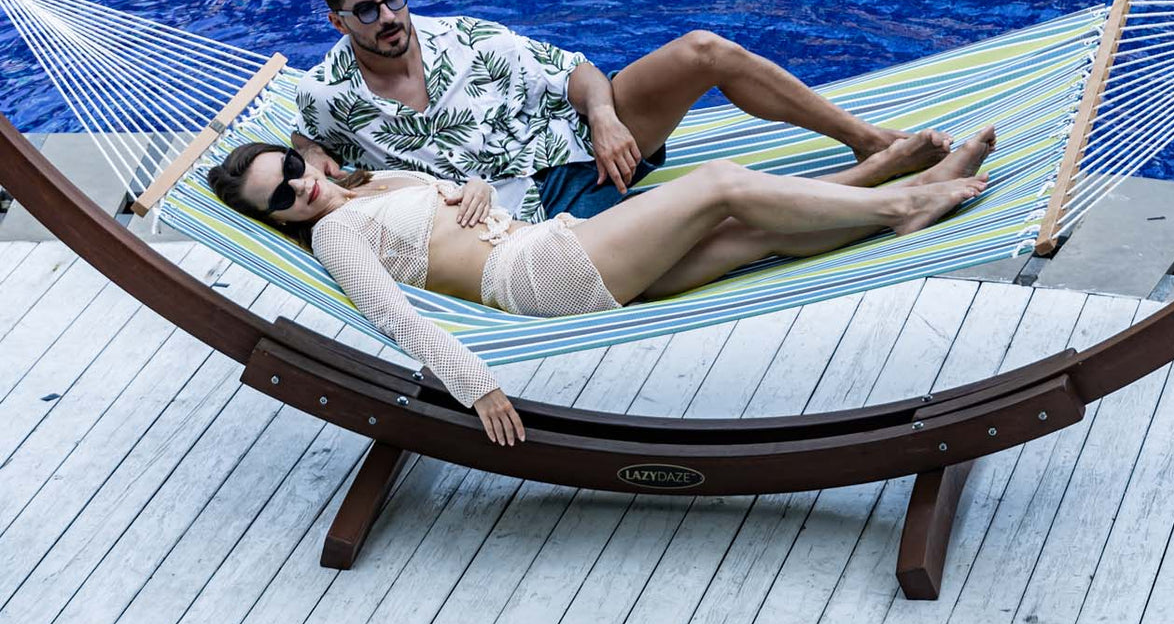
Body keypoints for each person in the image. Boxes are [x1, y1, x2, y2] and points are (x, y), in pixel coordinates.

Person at [207, 127, 997, 447]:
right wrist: (477, 389)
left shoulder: (373, 183)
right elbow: (394, 317)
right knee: (719, 184)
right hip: (540, 276)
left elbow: (458, 200)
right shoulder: (338, 234)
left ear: (305, 159)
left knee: (746, 236)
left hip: (551, 245)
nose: (299, 191)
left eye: (293, 172)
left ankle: (903, 195)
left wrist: (474, 187)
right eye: (278, 199)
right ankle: (904, 200)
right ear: (277, 221)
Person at [291, 0, 954, 229]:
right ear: (337, 19)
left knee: (702, 50)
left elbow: (574, 70)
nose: (390, 18)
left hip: (588, 142)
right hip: (544, 215)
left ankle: (864, 140)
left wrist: (604, 117)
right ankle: (883, 192)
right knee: (712, 205)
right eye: (368, 11)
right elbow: (305, 144)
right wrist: (312, 156)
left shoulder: (465, 36)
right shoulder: (327, 95)